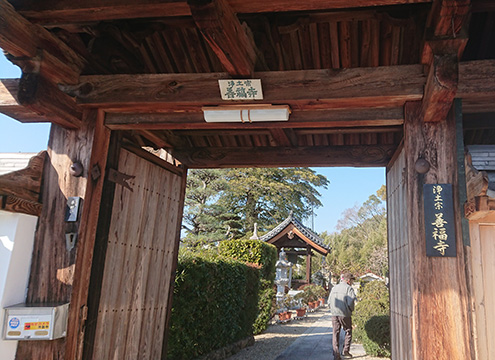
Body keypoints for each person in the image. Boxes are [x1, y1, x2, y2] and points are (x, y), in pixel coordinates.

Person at [328, 272, 357, 360]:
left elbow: (329, 301)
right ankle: (345, 351)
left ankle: (336, 354)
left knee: (335, 333)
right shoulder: (349, 289)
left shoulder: (334, 288)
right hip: (345, 314)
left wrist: (332, 310)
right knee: (348, 330)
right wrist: (351, 310)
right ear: (348, 280)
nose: (352, 282)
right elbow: (351, 302)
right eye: (352, 280)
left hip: (334, 313)